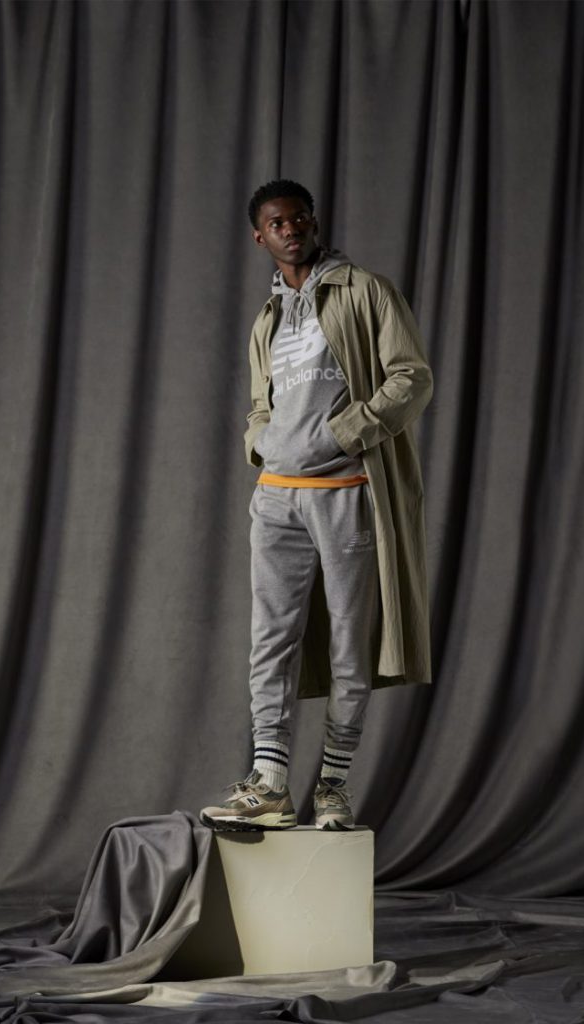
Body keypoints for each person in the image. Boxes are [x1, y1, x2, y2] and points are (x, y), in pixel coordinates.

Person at [200, 179, 433, 831]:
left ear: (313, 222)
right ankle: (270, 783)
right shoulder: (267, 319)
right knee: (269, 640)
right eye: (277, 222)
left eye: (299, 217)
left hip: (345, 494)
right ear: (261, 237)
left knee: (348, 645)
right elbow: (260, 404)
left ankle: (332, 785)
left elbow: (411, 376)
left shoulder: (364, 291)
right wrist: (262, 444)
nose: (291, 228)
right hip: (276, 500)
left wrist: (344, 435)